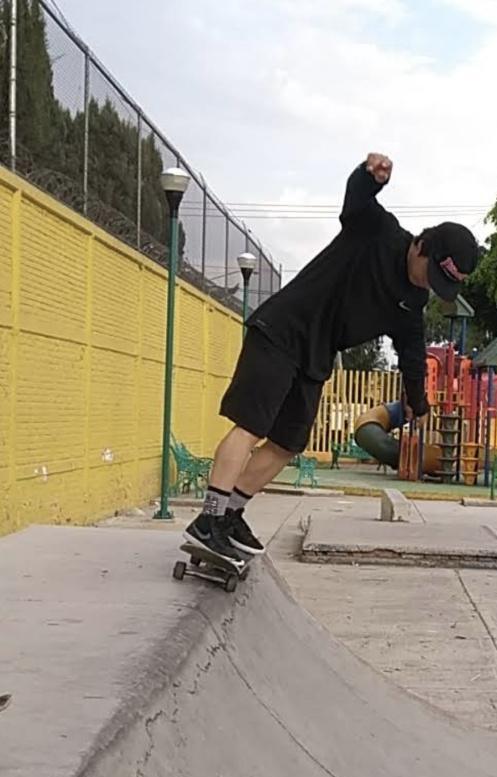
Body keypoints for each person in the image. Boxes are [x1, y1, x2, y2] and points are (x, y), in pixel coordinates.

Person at [184, 153, 479, 563]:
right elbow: (356, 201)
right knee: (251, 425)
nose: (425, 284)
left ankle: (231, 513)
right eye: (428, 274)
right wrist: (369, 176)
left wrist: (417, 401)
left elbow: (412, 354)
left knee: (288, 443)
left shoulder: (412, 302)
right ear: (421, 246)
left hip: (315, 356)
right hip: (282, 331)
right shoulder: (379, 232)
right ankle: (208, 519)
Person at [353, 399, 408, 469]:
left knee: (393, 451)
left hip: (362, 428)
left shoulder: (395, 409)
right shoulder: (401, 408)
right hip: (368, 425)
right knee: (397, 452)